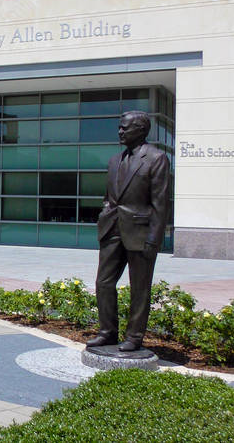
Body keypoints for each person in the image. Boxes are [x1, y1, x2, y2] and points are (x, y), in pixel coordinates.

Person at [87, 110, 171, 352]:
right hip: (112, 229)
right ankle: (107, 332)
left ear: (142, 130)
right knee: (103, 283)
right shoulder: (115, 160)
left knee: (139, 288)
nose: (120, 131)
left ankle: (134, 337)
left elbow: (160, 203)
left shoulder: (156, 158)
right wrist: (105, 214)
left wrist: (154, 239)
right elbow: (109, 197)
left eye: (125, 128)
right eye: (119, 127)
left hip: (141, 234)